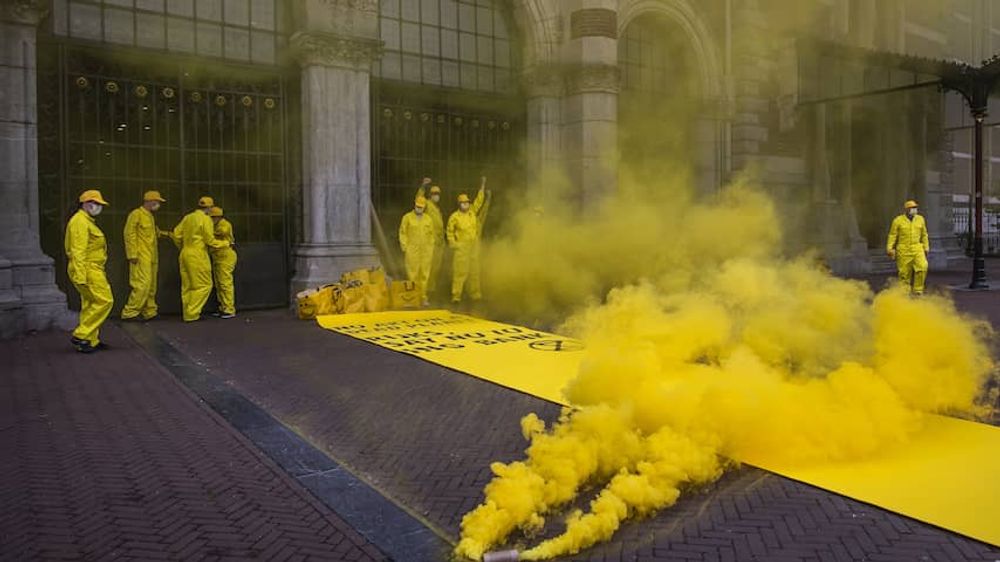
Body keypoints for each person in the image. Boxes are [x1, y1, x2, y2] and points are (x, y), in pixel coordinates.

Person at [65, 189, 112, 353]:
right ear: (84, 203)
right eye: (94, 203)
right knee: (105, 301)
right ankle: (82, 334)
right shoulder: (80, 222)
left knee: (90, 303)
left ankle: (90, 340)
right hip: (88, 268)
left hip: (91, 267)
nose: (97, 206)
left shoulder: (86, 221)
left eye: (99, 204)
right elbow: (78, 250)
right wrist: (80, 275)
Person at [172, 196, 229, 321]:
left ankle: (187, 313)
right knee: (204, 285)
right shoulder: (206, 219)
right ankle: (192, 313)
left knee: (187, 286)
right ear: (209, 208)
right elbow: (210, 240)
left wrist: (182, 247)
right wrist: (225, 244)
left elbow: (176, 234)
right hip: (198, 254)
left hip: (185, 253)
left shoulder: (188, 217)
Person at [121, 190, 170, 321]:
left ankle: (149, 311)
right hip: (141, 256)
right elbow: (129, 234)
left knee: (151, 286)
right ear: (149, 201)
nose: (158, 204)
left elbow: (154, 234)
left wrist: (170, 234)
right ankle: (130, 312)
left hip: (152, 255)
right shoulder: (136, 214)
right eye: (157, 202)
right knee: (142, 285)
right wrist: (132, 253)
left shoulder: (149, 216)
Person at [446, 176, 491, 304]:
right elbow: (449, 231)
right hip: (462, 248)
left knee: (474, 272)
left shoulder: (472, 212)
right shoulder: (455, 217)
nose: (466, 204)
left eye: (467, 202)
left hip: (474, 246)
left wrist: (482, 185)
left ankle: (475, 294)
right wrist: (454, 244)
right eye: (463, 203)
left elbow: (479, 201)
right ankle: (456, 296)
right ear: (459, 204)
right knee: (460, 272)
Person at [887, 199, 930, 295]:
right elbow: (892, 235)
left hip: (917, 248)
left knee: (923, 267)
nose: (914, 209)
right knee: (904, 273)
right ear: (906, 209)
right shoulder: (898, 220)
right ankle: (904, 292)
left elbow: (924, 234)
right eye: (912, 208)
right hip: (903, 249)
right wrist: (890, 248)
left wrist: (926, 247)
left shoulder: (920, 219)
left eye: (915, 208)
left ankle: (918, 290)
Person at [399, 195, 436, 306]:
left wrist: (431, 247)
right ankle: (411, 298)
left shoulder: (428, 219)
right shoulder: (407, 218)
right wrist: (404, 246)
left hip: (426, 250)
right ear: (414, 204)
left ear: (424, 207)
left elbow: (431, 235)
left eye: (421, 207)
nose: (419, 208)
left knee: (425, 274)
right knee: (412, 274)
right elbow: (402, 232)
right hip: (412, 249)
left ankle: (423, 297)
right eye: (417, 206)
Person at [416, 178, 445, 296]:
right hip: (430, 241)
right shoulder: (427, 204)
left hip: (439, 242)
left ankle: (431, 288)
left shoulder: (437, 209)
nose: (436, 196)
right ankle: (423, 289)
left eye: (438, 194)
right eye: (434, 193)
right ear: (430, 195)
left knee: (436, 267)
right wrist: (423, 187)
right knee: (427, 265)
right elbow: (418, 199)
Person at [208, 206, 238, 319]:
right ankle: (222, 307)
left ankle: (229, 309)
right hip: (218, 256)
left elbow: (222, 232)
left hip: (226, 255)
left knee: (225, 283)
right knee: (219, 283)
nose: (211, 220)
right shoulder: (216, 224)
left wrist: (208, 231)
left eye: (212, 218)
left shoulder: (224, 224)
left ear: (218, 217)